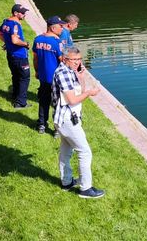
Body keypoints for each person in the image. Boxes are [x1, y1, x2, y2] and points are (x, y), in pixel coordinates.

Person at [52, 46, 104, 199]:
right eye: (74, 60)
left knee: (66, 152)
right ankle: (85, 189)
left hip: (68, 118)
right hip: (67, 120)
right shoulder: (62, 73)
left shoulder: (70, 71)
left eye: (79, 59)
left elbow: (79, 91)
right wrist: (89, 93)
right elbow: (73, 99)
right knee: (85, 152)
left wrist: (80, 76)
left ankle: (67, 182)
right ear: (65, 59)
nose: (77, 62)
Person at [32, 16, 65, 134]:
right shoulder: (57, 42)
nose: (62, 29)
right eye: (60, 26)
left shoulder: (38, 40)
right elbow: (62, 60)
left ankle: (41, 124)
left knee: (43, 101)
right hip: (56, 79)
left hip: (43, 77)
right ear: (53, 27)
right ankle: (57, 130)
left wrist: (36, 71)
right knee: (58, 103)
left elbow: (35, 58)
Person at [0, 4, 31, 108]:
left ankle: (15, 96)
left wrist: (7, 43)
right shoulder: (15, 25)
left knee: (16, 76)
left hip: (11, 55)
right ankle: (20, 103)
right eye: (22, 13)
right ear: (16, 13)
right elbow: (15, 40)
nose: (24, 14)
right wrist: (26, 44)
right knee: (24, 78)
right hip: (20, 56)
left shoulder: (6, 22)